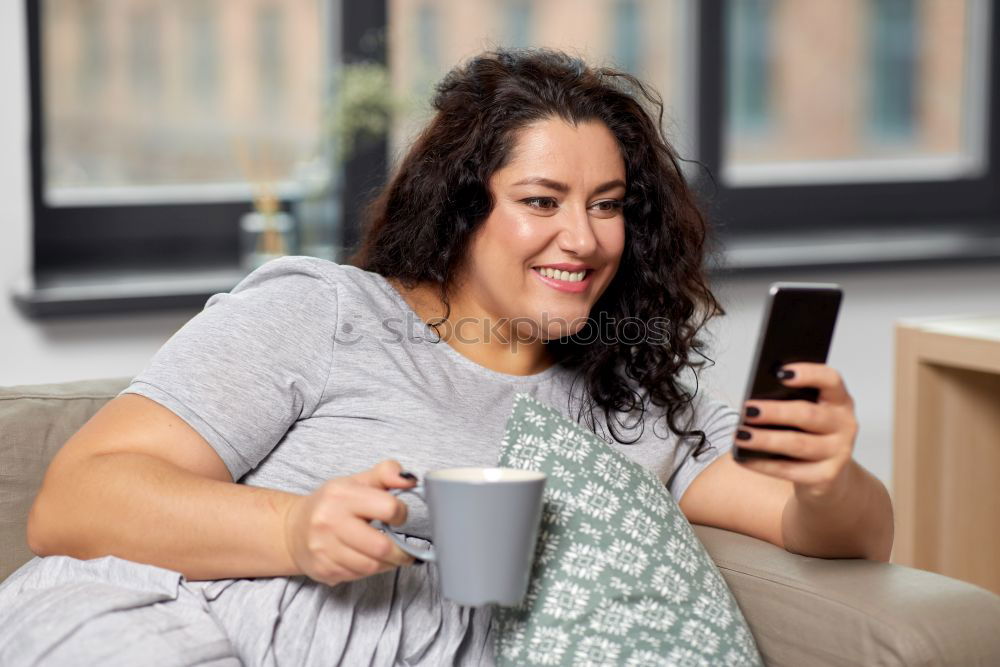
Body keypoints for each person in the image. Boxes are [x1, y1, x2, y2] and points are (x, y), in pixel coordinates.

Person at [0, 48, 893, 665]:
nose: (581, 239)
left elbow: (846, 534)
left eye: (610, 205)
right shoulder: (326, 312)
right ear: (462, 208)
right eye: (541, 200)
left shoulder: (627, 397)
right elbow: (74, 501)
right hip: (156, 625)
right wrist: (288, 528)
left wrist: (828, 478)